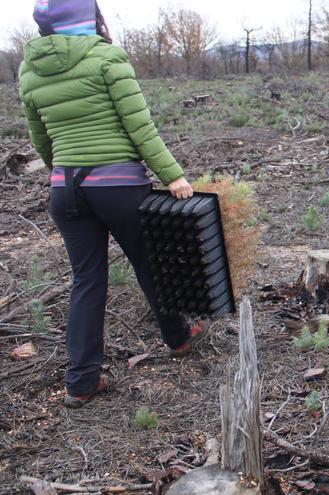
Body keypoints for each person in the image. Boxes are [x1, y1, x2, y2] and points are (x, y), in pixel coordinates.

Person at [19, 0, 205, 409]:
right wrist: (172, 175)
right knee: (149, 263)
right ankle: (177, 338)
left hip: (64, 187)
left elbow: (41, 138)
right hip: (117, 185)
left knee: (87, 282)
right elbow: (139, 126)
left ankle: (82, 380)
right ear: (89, 19)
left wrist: (62, 171)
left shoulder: (29, 69)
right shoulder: (106, 57)